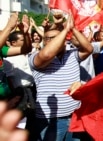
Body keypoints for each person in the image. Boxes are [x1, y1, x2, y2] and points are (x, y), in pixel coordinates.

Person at [28, 12, 93, 141]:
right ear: (43, 42)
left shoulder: (72, 55)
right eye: (49, 39)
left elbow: (89, 49)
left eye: (57, 38)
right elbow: (46, 55)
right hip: (50, 120)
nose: (53, 41)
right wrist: (65, 30)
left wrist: (72, 28)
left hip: (74, 116)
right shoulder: (34, 57)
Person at [0, 13, 32, 99]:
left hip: (7, 97)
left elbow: (26, 49)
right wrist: (9, 27)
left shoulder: (2, 50)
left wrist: (25, 34)